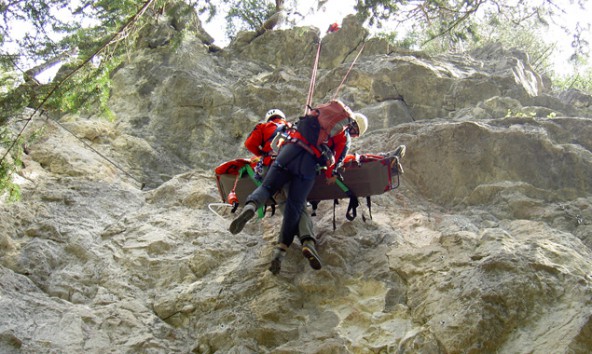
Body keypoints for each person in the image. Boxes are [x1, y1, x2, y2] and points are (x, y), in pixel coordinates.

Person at [230, 105, 369, 275]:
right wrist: (329, 173)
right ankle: (297, 246)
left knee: (268, 188)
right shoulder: (341, 135)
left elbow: (252, 144)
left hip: (284, 154)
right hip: (307, 164)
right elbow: (335, 161)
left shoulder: (294, 122)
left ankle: (250, 207)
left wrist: (262, 154)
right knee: (296, 206)